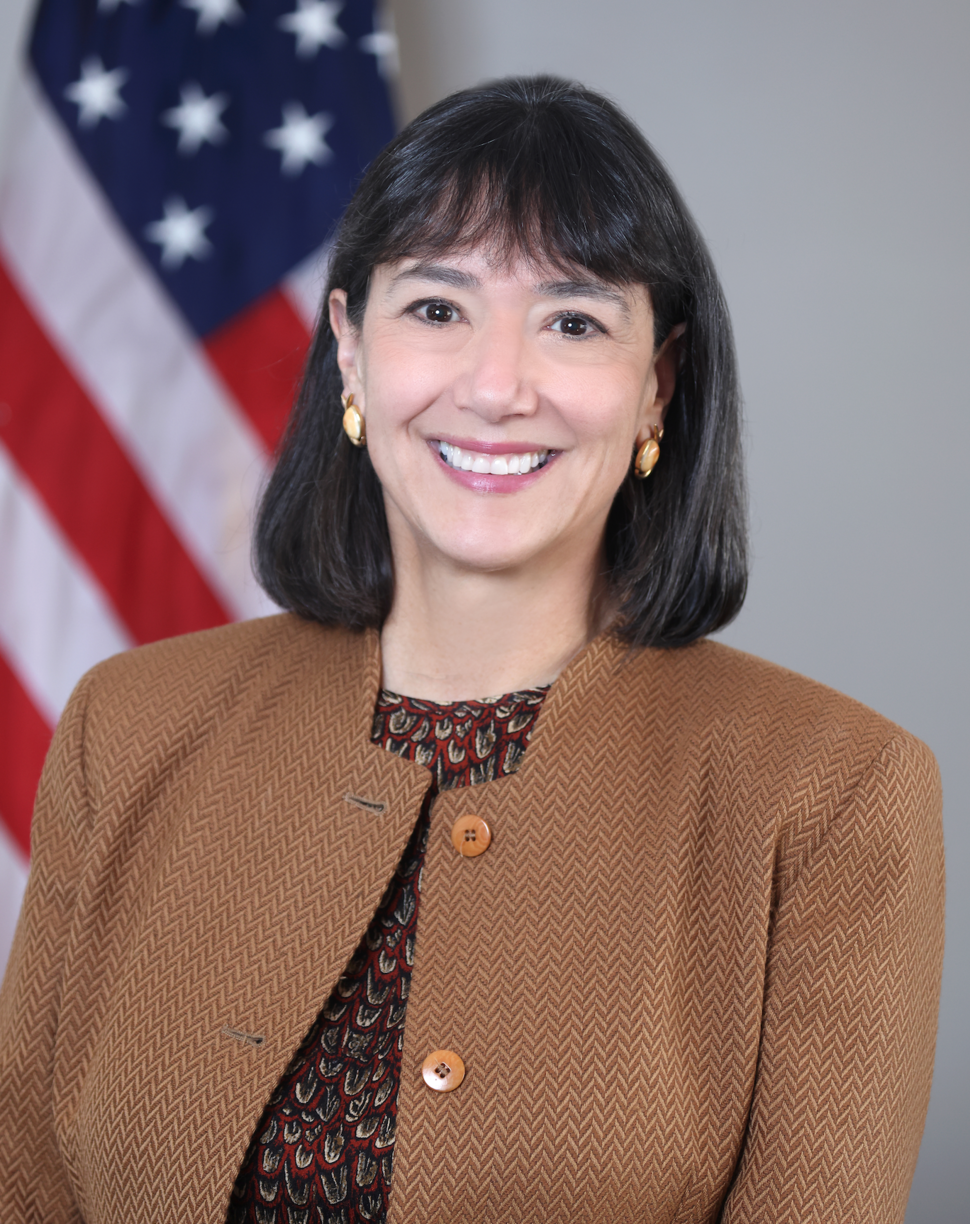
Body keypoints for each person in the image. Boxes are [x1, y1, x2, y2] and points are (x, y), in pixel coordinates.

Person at [0, 75, 944, 1224]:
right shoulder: (129, 728)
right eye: (437, 309)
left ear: (656, 387)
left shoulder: (832, 795)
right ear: (350, 351)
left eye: (572, 322)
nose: (497, 388)